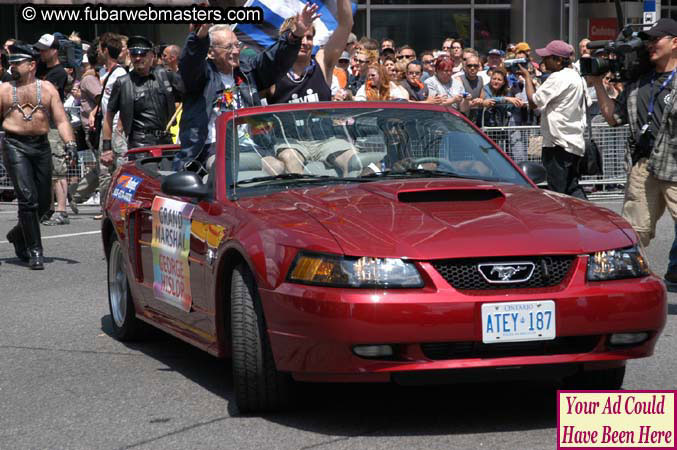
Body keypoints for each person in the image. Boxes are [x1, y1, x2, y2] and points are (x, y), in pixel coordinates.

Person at [172, 5, 318, 171]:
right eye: (228, 47)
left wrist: (295, 35)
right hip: (211, 148)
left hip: (249, 145)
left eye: (237, 45)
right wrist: (199, 38)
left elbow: (273, 59)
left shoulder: (247, 71)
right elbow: (190, 63)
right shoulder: (201, 76)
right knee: (223, 168)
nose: (235, 51)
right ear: (211, 52)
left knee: (276, 166)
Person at [590, 18, 677, 284]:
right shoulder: (638, 83)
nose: (650, 44)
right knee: (632, 232)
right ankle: (623, 288)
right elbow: (613, 118)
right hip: (644, 165)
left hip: (675, 164)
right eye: (648, 39)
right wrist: (596, 84)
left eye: (656, 39)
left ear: (675, 43)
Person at [0, 42, 77, 269]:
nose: (13, 67)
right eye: (11, 63)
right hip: (15, 145)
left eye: (18, 63)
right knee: (27, 198)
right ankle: (35, 251)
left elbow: (61, 120)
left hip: (41, 146)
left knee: (43, 205)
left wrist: (70, 143)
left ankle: (17, 235)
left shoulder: (47, 89)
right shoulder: (4, 90)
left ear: (32, 65)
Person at [263, 0, 356, 176]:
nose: (305, 42)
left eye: (310, 37)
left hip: (326, 140)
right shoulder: (272, 73)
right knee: (291, 159)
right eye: (301, 37)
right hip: (291, 142)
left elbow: (346, 24)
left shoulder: (322, 62)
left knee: (354, 161)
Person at [521, 39, 586, 199]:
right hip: (574, 143)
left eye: (547, 57)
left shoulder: (558, 77)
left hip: (557, 144)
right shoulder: (578, 77)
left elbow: (533, 102)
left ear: (558, 60)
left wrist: (527, 77)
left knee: (558, 195)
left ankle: (567, 222)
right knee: (572, 189)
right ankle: (590, 220)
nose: (543, 61)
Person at [103, 36, 183, 158]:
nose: (138, 58)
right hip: (139, 145)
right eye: (134, 55)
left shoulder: (166, 76)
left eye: (143, 54)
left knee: (170, 176)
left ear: (152, 55)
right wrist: (106, 149)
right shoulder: (122, 83)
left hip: (166, 142)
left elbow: (189, 95)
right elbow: (109, 116)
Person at [35, 33, 72, 225]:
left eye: (44, 49)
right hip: (39, 124)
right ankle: (48, 209)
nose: (41, 52)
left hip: (53, 125)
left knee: (58, 168)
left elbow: (48, 99)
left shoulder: (59, 73)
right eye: (39, 49)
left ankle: (62, 210)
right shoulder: (39, 67)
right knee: (44, 170)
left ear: (55, 51)